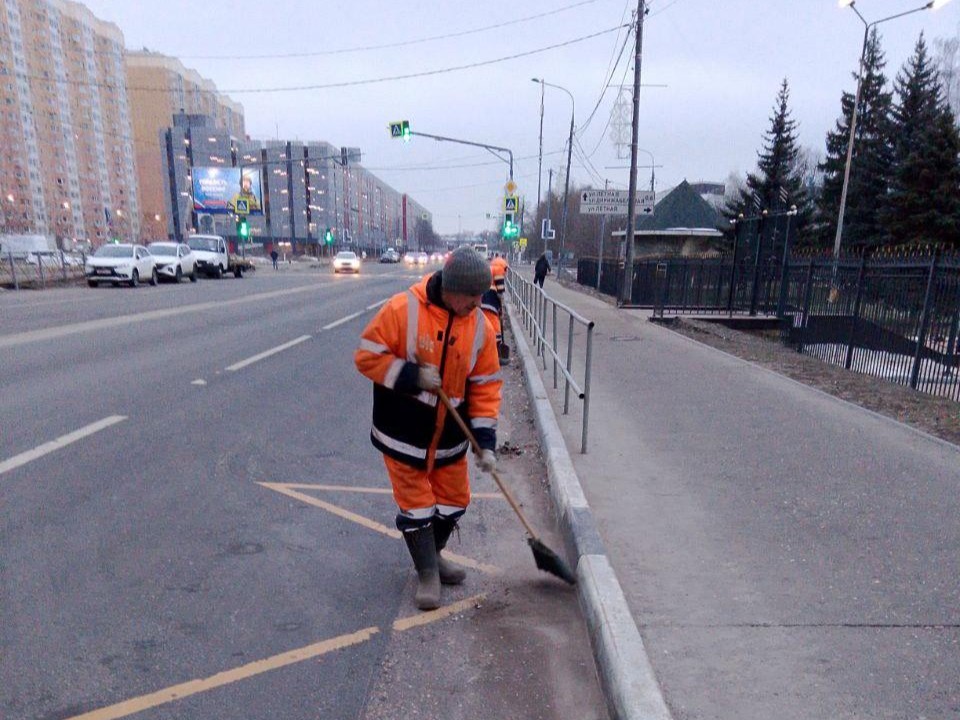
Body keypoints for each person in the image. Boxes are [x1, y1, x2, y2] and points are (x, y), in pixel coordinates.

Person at [355, 247, 502, 611]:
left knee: (455, 501)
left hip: (450, 439)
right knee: (417, 506)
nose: (476, 305)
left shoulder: (480, 326)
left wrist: (486, 442)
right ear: (451, 289)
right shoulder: (403, 310)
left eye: (479, 297)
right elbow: (367, 357)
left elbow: (485, 385)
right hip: (404, 432)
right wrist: (413, 376)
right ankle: (426, 573)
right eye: (470, 298)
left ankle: (432, 555)